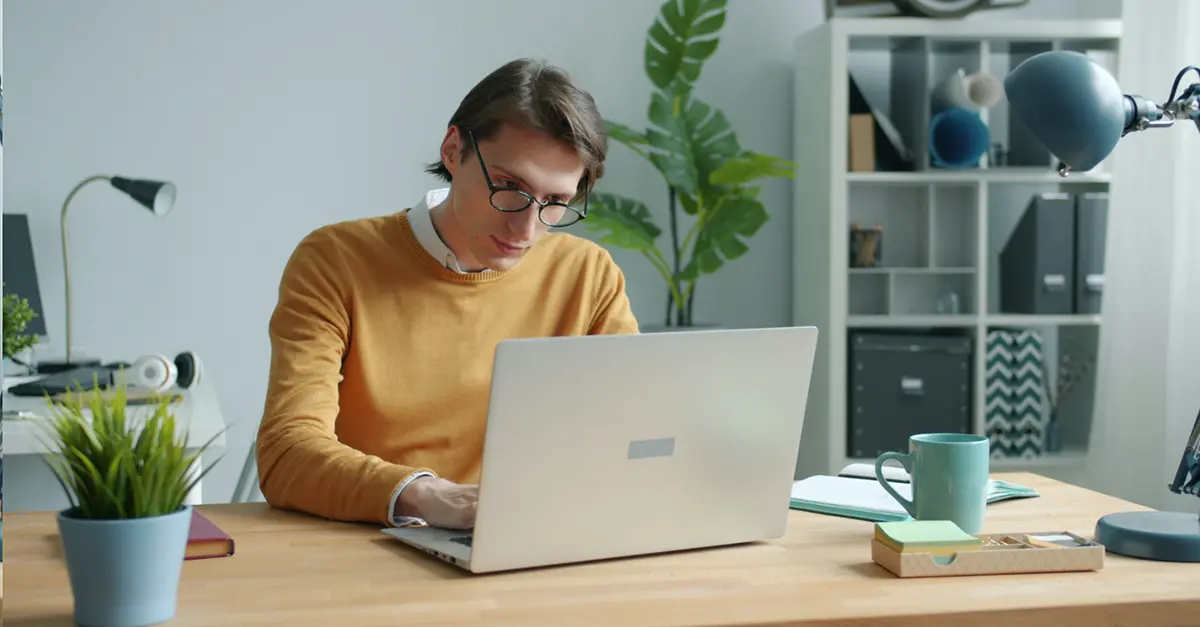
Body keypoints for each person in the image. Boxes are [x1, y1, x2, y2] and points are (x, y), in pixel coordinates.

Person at [255, 58, 639, 531]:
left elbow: (635, 435)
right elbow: (286, 453)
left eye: (556, 202)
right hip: (370, 546)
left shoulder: (587, 276)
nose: (526, 226)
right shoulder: (335, 261)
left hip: (524, 543)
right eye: (509, 185)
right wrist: (424, 495)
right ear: (454, 150)